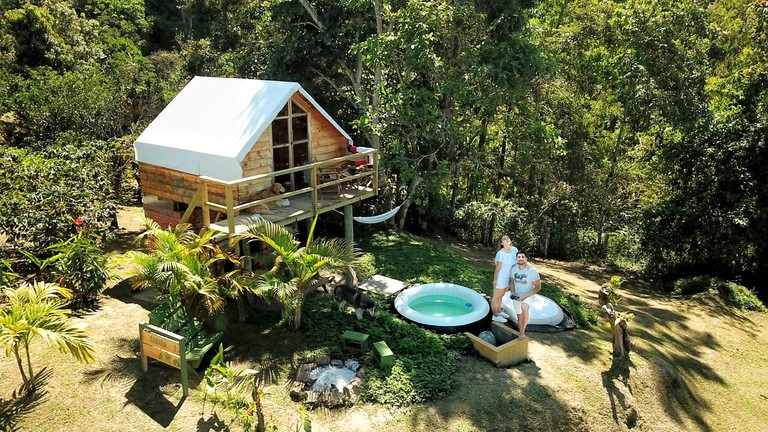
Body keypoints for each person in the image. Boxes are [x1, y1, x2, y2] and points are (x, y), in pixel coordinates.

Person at [510, 250, 541, 338]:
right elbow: (511, 282)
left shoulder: (532, 271)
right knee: (519, 316)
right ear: (516, 259)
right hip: (517, 295)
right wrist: (512, 292)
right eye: (519, 257)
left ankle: (522, 332)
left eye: (523, 257)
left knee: (524, 307)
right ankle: (521, 331)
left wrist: (524, 296)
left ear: (526, 258)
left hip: (528, 295)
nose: (521, 259)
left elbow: (538, 287)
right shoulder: (514, 268)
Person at [491, 235, 519, 323]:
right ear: (502, 243)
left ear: (510, 240)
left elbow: (519, 261)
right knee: (496, 297)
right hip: (502, 277)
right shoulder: (500, 253)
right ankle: (495, 316)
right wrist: (495, 279)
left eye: (508, 238)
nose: (506, 239)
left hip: (509, 277)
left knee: (502, 295)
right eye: (504, 239)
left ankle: (499, 311)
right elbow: (497, 268)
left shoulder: (514, 250)